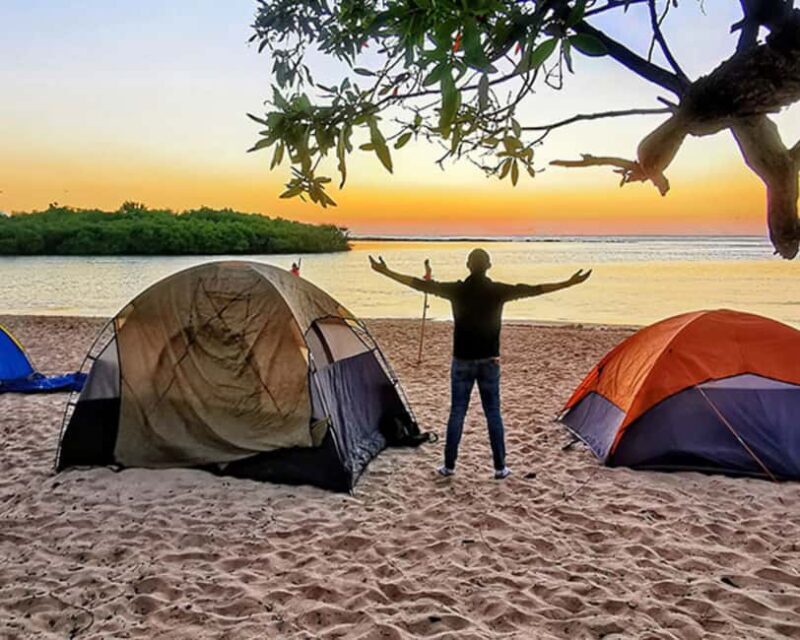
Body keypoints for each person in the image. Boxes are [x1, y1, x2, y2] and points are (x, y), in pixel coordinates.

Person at [369, 249, 591, 480]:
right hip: (489, 362)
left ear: (468, 265)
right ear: (489, 266)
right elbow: (533, 290)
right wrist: (569, 283)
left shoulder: (457, 290)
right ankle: (499, 468)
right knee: (493, 414)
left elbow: (419, 285)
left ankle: (449, 466)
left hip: (462, 360)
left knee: (457, 413)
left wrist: (385, 271)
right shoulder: (497, 291)